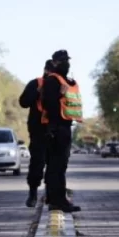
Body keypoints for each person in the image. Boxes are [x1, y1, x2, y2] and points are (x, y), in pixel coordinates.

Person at [42, 50, 83, 213]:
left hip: (66, 126)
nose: (65, 63)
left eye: (67, 60)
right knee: (56, 166)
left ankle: (58, 199)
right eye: (62, 61)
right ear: (55, 63)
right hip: (56, 128)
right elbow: (48, 103)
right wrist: (52, 127)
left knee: (61, 166)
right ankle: (57, 200)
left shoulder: (69, 81)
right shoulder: (53, 80)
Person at [18, 60, 55, 207]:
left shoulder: (64, 85)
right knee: (37, 164)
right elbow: (23, 102)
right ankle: (32, 194)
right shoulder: (36, 84)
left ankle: (51, 195)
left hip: (57, 131)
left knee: (55, 166)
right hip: (38, 131)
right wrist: (37, 93)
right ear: (46, 70)